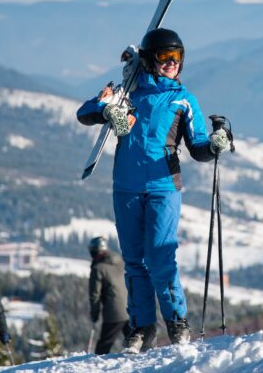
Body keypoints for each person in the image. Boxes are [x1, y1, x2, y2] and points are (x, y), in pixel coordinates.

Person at [77, 28, 231, 353]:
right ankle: (142, 328)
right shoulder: (128, 92)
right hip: (127, 187)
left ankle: (177, 323)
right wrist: (106, 110)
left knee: (161, 257)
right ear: (149, 59)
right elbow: (84, 112)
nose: (172, 63)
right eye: (165, 56)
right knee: (134, 261)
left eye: (177, 57)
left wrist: (215, 145)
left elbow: (198, 147)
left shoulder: (183, 99)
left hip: (164, 186)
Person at [88, 236, 130, 354]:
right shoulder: (119, 262)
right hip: (129, 307)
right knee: (133, 339)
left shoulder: (98, 269)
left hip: (114, 311)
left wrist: (94, 313)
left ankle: (96, 363)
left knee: (104, 345)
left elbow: (94, 295)